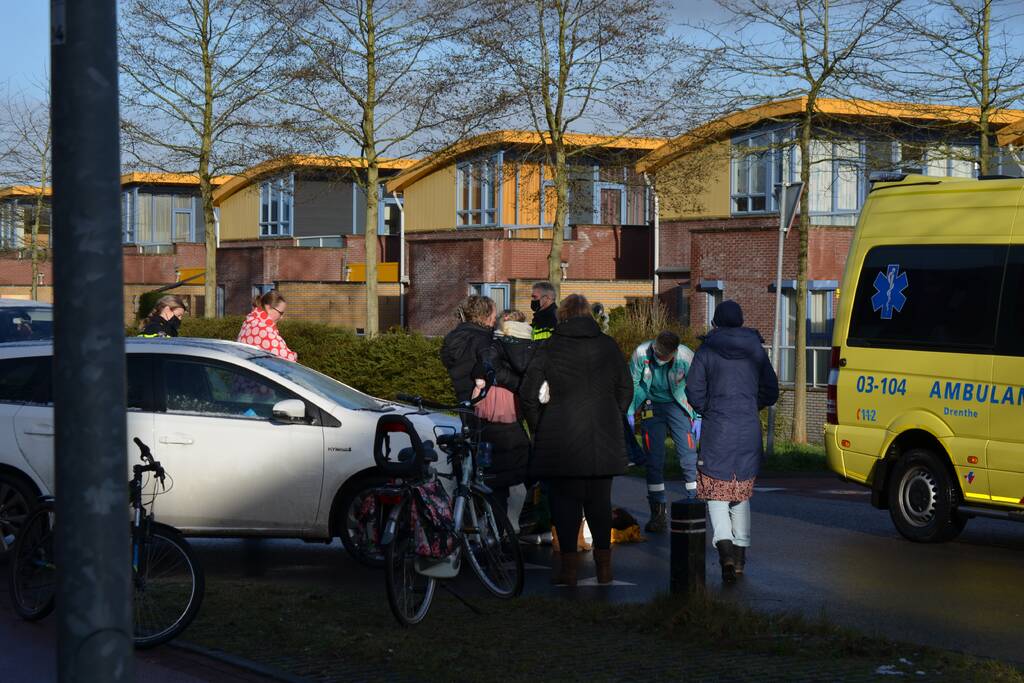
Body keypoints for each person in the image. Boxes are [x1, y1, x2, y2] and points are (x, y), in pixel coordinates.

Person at [521, 294, 632, 586]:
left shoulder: (550, 346)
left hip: (561, 435)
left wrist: (539, 426)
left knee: (565, 504)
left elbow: (528, 394)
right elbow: (626, 388)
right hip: (602, 435)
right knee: (599, 503)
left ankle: (569, 570)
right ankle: (604, 568)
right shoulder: (607, 346)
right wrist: (612, 414)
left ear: (563, 315)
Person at [685, 300, 778, 584]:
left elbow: (693, 389)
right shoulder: (756, 350)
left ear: (715, 322)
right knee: (741, 494)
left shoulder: (707, 350)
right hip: (748, 429)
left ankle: (724, 553)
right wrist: (751, 406)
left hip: (718, 430)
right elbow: (771, 391)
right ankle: (739, 560)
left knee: (716, 493)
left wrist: (709, 408)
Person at [441, 296, 528, 514]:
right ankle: (504, 527)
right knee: (506, 471)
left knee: (478, 469)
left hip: (467, 409)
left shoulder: (453, 338)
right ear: (487, 315)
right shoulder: (486, 340)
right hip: (491, 413)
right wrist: (520, 384)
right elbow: (494, 370)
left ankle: (477, 519)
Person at [628, 330, 699, 533]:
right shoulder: (642, 353)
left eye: (664, 357)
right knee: (654, 460)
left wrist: (698, 415)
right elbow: (633, 381)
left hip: (679, 405)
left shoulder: (686, 357)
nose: (659, 359)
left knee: (688, 456)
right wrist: (631, 409)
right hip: (651, 404)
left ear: (674, 353)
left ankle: (693, 506)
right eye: (657, 353)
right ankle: (657, 513)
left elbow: (697, 385)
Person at [237, 290, 297, 361]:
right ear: (268, 307)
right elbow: (289, 359)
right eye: (280, 313)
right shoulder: (263, 328)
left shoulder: (250, 321)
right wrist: (295, 355)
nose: (281, 317)